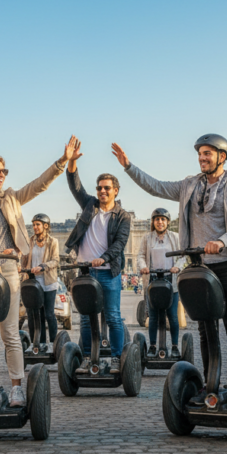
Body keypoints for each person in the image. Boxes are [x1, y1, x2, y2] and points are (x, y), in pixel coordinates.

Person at [113, 134, 227, 408]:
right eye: (200, 154)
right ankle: (209, 384)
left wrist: (222, 241)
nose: (202, 158)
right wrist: (129, 166)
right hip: (199, 266)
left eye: (207, 154)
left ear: (222, 156)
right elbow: (156, 186)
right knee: (204, 326)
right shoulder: (189, 185)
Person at [0, 137, 78, 409]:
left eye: (4, 171)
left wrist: (61, 162)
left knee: (9, 333)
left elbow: (38, 185)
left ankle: (17, 387)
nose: (1, 175)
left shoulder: (11, 198)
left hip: (7, 271)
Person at [64, 140, 132, 375]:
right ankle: (86, 357)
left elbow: (120, 245)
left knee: (113, 317)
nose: (102, 191)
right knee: (85, 318)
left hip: (108, 273)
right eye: (99, 188)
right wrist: (72, 161)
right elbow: (75, 187)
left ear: (115, 190)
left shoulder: (123, 216)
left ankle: (115, 357)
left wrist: (103, 259)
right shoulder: (89, 205)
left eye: (107, 188)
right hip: (85, 272)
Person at [137, 208, 185, 358]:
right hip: (153, 281)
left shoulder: (175, 237)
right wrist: (143, 267)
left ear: (168, 222)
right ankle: (152, 346)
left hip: (171, 280)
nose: (160, 222)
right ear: (153, 222)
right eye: (157, 219)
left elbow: (182, 256)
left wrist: (177, 266)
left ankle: (175, 347)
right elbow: (141, 256)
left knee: (172, 316)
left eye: (163, 219)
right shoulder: (147, 238)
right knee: (153, 316)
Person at [20, 213, 61, 354]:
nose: (35, 227)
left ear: (45, 226)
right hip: (32, 282)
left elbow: (55, 260)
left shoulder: (53, 242)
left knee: (49, 314)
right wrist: (20, 266)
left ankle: (54, 344)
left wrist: (43, 266)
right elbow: (24, 258)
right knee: (33, 315)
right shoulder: (29, 241)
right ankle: (38, 343)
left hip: (48, 282)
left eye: (38, 224)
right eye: (34, 225)